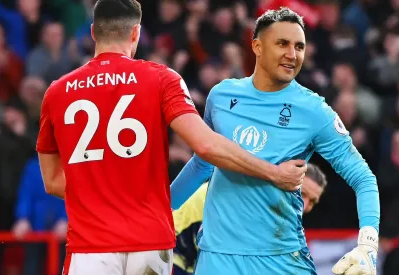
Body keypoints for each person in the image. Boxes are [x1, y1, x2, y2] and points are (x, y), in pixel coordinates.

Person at [35, 1, 307, 274]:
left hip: (90, 245)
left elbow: (53, 181)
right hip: (150, 240)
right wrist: (273, 172)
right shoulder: (162, 79)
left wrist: (104, 191)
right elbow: (205, 145)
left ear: (94, 32)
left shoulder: (58, 92)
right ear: (135, 34)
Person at [170, 7, 380, 275]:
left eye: (299, 46)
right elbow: (202, 163)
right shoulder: (221, 97)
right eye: (282, 44)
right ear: (257, 46)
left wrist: (368, 246)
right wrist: (164, 210)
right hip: (218, 259)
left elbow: (363, 178)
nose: (292, 54)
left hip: (281, 259)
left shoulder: (314, 110)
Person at [172, 164, 328, 275]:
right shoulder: (247, 203)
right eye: (303, 193)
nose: (305, 204)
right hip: (170, 257)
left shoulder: (276, 215)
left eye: (313, 201)